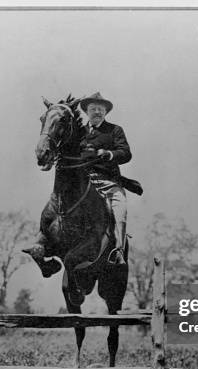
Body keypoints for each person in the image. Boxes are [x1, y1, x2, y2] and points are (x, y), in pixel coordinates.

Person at [78, 92, 132, 265]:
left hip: (108, 183)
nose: (97, 112)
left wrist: (109, 154)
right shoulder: (79, 132)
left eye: (100, 109)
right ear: (86, 111)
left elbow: (125, 153)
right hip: (82, 182)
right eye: (93, 109)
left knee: (121, 208)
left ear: (106, 112)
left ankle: (118, 250)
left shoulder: (115, 130)